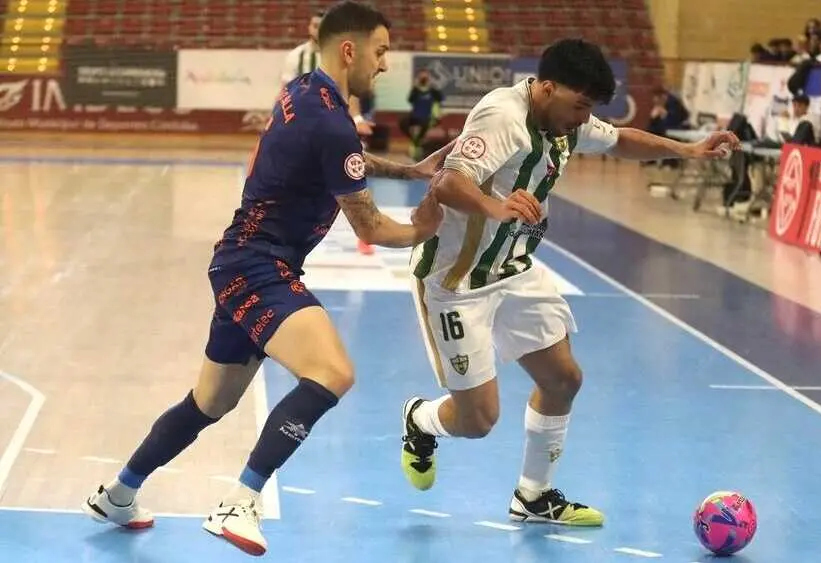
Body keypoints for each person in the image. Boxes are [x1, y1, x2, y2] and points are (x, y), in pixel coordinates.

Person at [82, 1, 448, 556]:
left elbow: (340, 156)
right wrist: (424, 226)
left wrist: (409, 170)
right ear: (349, 50)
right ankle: (241, 500)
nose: (383, 65)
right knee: (332, 373)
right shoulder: (334, 123)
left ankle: (120, 492)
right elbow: (370, 223)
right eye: (379, 52)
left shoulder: (304, 91)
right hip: (259, 265)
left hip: (239, 259)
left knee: (209, 402)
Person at [400, 38, 738, 526]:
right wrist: (498, 206)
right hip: (456, 280)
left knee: (563, 380)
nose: (584, 118)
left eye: (590, 109)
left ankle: (533, 497)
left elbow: (620, 140)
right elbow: (448, 181)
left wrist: (689, 150)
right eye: (580, 106)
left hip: (514, 268)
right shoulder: (502, 116)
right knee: (477, 421)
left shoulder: (564, 120)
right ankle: (419, 420)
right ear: (547, 88)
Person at [281, 8, 378, 257]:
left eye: (321, 25)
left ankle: (366, 234)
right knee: (297, 183)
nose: (316, 30)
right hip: (303, 131)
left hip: (336, 128)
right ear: (309, 29)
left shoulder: (341, 54)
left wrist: (355, 119)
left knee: (355, 177)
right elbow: (286, 92)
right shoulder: (297, 56)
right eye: (313, 26)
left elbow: (349, 91)